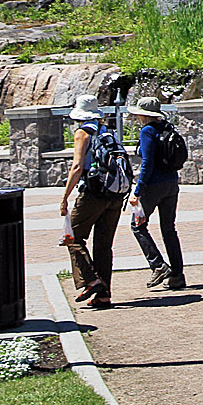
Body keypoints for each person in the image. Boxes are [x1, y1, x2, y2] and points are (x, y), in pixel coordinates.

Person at [60, 94, 130, 309]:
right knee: (103, 245)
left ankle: (91, 281)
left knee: (73, 237)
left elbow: (77, 167)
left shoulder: (83, 132)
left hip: (93, 194)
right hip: (115, 194)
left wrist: (64, 197)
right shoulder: (108, 130)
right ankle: (104, 296)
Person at [127, 97, 187, 290]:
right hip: (171, 183)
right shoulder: (167, 127)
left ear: (143, 115)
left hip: (153, 185)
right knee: (169, 229)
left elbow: (147, 163)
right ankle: (177, 275)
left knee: (137, 226)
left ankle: (158, 265)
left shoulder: (147, 131)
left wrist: (137, 191)